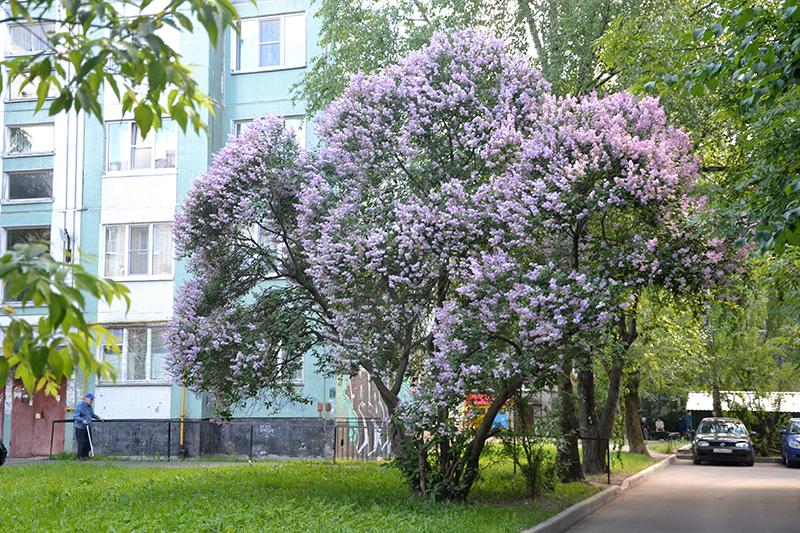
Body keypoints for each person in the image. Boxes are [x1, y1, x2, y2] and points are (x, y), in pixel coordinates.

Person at [74, 393, 104, 460]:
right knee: (81, 442)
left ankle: (86, 456)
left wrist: (98, 417)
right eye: (91, 399)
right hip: (80, 427)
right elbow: (75, 416)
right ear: (86, 399)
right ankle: (80, 457)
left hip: (88, 426)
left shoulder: (90, 406)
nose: (92, 401)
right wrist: (82, 420)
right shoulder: (80, 405)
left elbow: (92, 414)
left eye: (92, 400)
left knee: (88, 442)